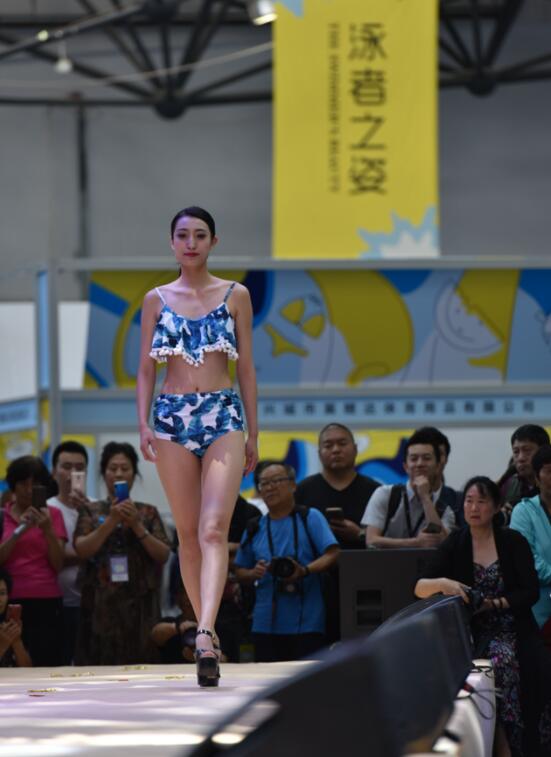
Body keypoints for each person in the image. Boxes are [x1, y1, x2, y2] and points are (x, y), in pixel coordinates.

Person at [137, 206, 258, 687]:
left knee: (212, 529)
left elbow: (246, 368)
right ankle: (206, 631)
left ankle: (205, 632)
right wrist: (143, 424)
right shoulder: (155, 299)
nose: (191, 243)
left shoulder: (236, 295)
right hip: (171, 417)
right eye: (183, 235)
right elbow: (145, 369)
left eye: (200, 235)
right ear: (172, 243)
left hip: (223, 414)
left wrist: (254, 431)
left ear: (213, 242)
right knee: (187, 533)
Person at [415, 476, 551, 757]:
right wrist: (445, 584)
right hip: (468, 631)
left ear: (497, 506)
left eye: (481, 501)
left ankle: (509, 741)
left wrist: (494, 604)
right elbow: (419, 587)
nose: (474, 508)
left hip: (511, 627)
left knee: (502, 661)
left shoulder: (512, 541)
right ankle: (499, 742)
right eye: (468, 501)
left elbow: (529, 592)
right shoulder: (456, 541)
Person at [73, 441, 171, 665]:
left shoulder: (147, 512)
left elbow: (163, 554)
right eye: (112, 468)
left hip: (140, 605)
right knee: (98, 664)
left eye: (125, 468)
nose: (118, 474)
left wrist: (136, 524)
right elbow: (82, 549)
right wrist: (111, 521)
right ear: (103, 473)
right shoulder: (90, 510)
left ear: (134, 474)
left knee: (143, 662)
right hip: (99, 605)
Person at [234, 463, 339, 662]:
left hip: (307, 621)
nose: (270, 488)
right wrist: (253, 573)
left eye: (276, 481)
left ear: (293, 485)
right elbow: (239, 571)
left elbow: (333, 553)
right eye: (264, 483)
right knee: (266, 678)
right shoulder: (255, 527)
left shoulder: (310, 517)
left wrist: (304, 570)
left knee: (306, 677)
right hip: (264, 623)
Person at [0, 455, 66, 666]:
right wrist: (20, 529)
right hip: (9, 601)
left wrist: (47, 530)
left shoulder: (54, 515)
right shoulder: (2, 516)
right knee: (12, 662)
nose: (29, 490)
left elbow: (58, 564)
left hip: (47, 600)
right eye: (23, 483)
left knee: (47, 663)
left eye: (35, 484)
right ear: (13, 485)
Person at [361, 428, 456, 549]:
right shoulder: (385, 494)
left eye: (427, 458)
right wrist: (416, 542)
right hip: (387, 561)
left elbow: (439, 543)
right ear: (405, 467)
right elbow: (371, 540)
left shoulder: (446, 509)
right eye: (413, 459)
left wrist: (425, 498)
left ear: (438, 466)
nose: (419, 464)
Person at [295, 423, 379, 548]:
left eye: (342, 444)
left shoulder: (375, 491)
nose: (336, 450)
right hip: (317, 561)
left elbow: (388, 538)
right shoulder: (302, 490)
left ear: (355, 449)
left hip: (365, 560)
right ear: (319, 454)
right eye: (328, 446)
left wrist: (360, 534)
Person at [48, 440, 89, 664]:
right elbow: (50, 557)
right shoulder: (47, 509)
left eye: (79, 467)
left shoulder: (94, 507)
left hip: (93, 602)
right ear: (54, 471)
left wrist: (86, 510)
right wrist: (87, 553)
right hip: (58, 603)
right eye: (66, 466)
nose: (73, 472)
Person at [510, 445, 551, 645]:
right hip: (537, 610)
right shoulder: (523, 511)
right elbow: (526, 558)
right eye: (550, 471)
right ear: (536, 477)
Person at [415, 426, 464, 527]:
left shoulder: (460, 502)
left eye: (439, 454)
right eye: (426, 456)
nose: (435, 460)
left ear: (446, 459)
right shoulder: (393, 498)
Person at [501, 425, 550, 514]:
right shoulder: (508, 485)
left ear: (544, 451)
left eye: (527, 450)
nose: (520, 458)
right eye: (516, 452)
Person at [0, 567, 32, 667]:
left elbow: (27, 669)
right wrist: (2, 645)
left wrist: (16, 641)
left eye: (2, 593)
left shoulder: (9, 623)